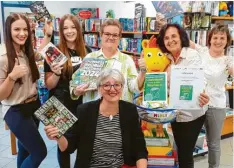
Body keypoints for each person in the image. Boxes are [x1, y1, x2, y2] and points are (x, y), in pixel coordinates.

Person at [45, 68, 148, 168]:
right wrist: (58, 137)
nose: (112, 89)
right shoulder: (85, 110)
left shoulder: (129, 110)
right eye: (106, 85)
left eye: (117, 85)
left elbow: (140, 148)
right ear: (99, 88)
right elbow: (69, 146)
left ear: (122, 87)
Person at [41, 14, 92, 168]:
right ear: (61, 31)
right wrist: (56, 73)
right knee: (62, 146)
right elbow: (49, 85)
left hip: (81, 104)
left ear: (79, 29)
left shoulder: (88, 51)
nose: (69, 31)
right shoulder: (54, 51)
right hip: (58, 104)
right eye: (65, 28)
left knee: (81, 142)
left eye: (73, 27)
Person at [156, 23, 210, 168]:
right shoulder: (164, 58)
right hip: (174, 113)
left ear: (181, 37)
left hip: (192, 114)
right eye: (166, 38)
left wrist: (203, 92)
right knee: (180, 149)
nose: (170, 40)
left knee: (185, 154)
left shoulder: (191, 55)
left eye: (174, 36)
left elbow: (200, 79)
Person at [0, 14, 47, 168]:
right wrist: (12, 77)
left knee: (25, 150)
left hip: (33, 105)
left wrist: (47, 35)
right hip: (15, 110)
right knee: (39, 152)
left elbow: (41, 53)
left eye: (25, 29)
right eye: (17, 29)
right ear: (8, 30)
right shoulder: (3, 57)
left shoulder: (25, 50)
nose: (22, 33)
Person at [71, 19, 146, 103]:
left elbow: (134, 88)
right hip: (94, 113)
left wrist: (143, 71)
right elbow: (75, 85)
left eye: (115, 35)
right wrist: (76, 91)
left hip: (121, 112)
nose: (111, 37)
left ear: (119, 37)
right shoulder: (90, 58)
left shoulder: (127, 60)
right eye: (107, 34)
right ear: (101, 35)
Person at [190, 25, 233, 168]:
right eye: (215, 37)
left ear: (227, 41)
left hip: (216, 106)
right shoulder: (202, 51)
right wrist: (166, 22)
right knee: (188, 139)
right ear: (209, 39)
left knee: (214, 143)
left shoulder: (228, 60)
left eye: (222, 38)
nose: (218, 41)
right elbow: (184, 40)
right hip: (197, 103)